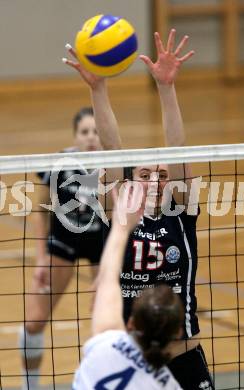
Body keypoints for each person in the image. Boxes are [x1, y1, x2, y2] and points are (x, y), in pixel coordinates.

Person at [65, 29, 214, 390]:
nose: (155, 180)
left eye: (161, 174)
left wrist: (166, 88)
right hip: (131, 356)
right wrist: (97, 89)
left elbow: (178, 148)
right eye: (144, 174)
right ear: (131, 181)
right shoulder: (121, 211)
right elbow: (113, 148)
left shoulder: (181, 212)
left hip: (183, 355)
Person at [19, 106, 119, 390]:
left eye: (96, 132)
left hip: (102, 246)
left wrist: (114, 268)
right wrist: (41, 258)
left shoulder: (114, 164)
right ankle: (30, 386)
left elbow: (119, 215)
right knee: (33, 322)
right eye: (84, 132)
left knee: (108, 325)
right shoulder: (59, 164)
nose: (91, 138)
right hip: (62, 244)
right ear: (75, 136)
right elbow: (38, 210)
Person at [72, 182, 184, 389]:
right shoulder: (169, 386)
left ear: (130, 322)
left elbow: (107, 279)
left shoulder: (107, 345)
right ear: (178, 333)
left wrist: (122, 227)